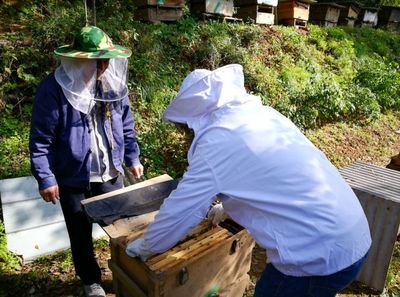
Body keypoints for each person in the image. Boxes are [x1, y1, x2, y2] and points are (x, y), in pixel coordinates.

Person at [126, 64, 371, 297]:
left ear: (196, 118)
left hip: (317, 256)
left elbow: (183, 209)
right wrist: (227, 209)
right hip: (353, 238)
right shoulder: (262, 116)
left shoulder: (218, 140)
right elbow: (268, 180)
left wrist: (149, 245)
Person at [29, 26, 144, 297]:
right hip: (73, 178)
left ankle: (130, 274)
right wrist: (46, 178)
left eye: (106, 62)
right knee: (80, 235)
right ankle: (90, 281)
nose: (103, 67)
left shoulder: (111, 85)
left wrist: (132, 156)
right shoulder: (52, 89)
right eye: (96, 62)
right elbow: (41, 138)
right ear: (77, 61)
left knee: (124, 228)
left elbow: (126, 124)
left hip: (110, 173)